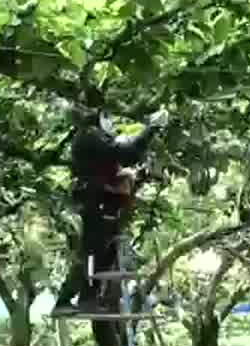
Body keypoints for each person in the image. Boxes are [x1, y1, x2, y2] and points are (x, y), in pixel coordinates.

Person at [53, 105, 169, 324]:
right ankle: (64, 300)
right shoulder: (90, 137)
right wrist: (150, 128)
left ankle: (88, 299)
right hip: (94, 203)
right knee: (90, 252)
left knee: (104, 253)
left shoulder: (93, 139)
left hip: (102, 203)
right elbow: (127, 153)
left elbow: (119, 160)